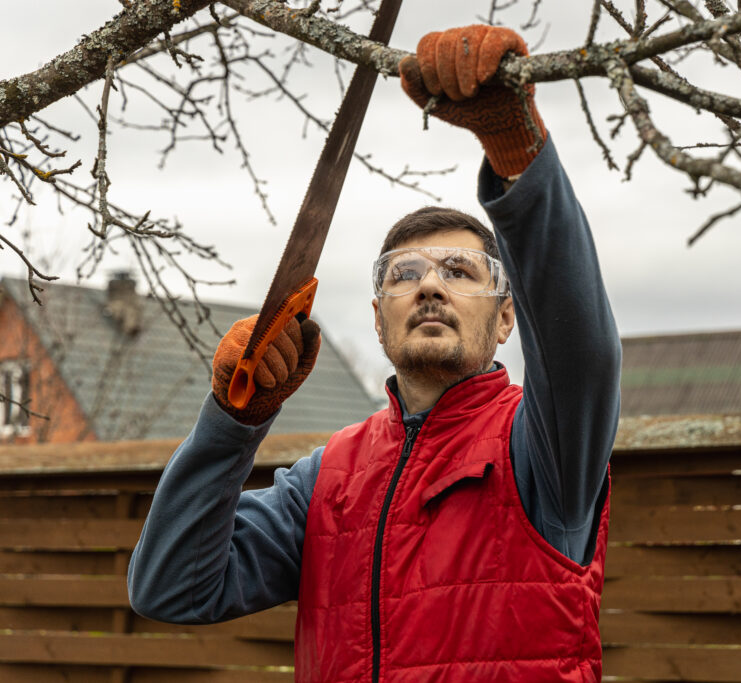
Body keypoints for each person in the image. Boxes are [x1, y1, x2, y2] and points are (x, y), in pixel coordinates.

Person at [128, 25, 621, 682]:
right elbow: (169, 587)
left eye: (460, 270)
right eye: (403, 273)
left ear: (507, 317)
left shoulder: (542, 451)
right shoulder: (328, 479)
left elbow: (579, 353)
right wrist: (234, 417)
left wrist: (517, 150)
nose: (429, 284)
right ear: (378, 319)